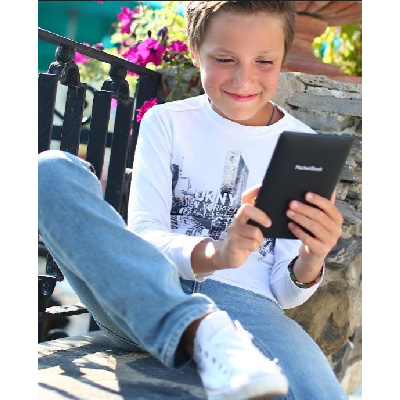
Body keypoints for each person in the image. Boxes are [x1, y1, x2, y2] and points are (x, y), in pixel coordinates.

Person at [38, 1, 348, 399]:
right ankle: (203, 331)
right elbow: (145, 237)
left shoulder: (303, 144)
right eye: (224, 59)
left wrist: (312, 257)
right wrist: (217, 254)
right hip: (142, 292)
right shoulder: (166, 122)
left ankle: (202, 336)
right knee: (48, 171)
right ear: (195, 51)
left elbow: (285, 294)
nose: (244, 78)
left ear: (284, 57)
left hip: (248, 308)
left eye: (264, 62)